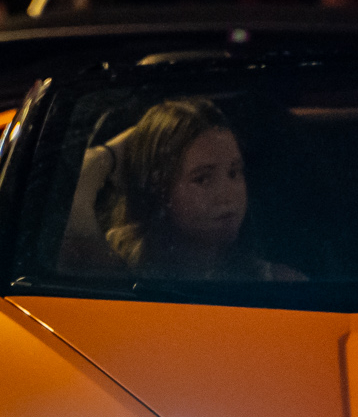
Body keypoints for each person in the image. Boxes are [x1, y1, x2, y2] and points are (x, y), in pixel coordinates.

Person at [65, 98, 303, 281]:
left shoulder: (275, 283)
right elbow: (73, 199)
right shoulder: (117, 274)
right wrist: (107, 156)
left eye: (234, 172)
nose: (227, 194)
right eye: (202, 179)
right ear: (158, 186)